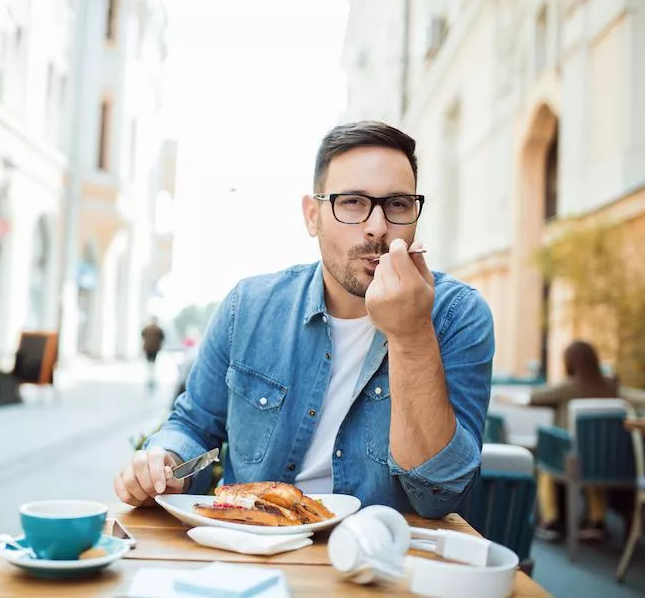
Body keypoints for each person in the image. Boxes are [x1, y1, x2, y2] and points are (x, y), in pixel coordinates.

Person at [114, 121, 494, 518]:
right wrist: (164, 461)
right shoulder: (248, 308)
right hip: (253, 546)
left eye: (397, 204)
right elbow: (193, 425)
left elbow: (439, 496)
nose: (377, 227)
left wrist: (411, 335)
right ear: (312, 216)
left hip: (386, 563)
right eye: (352, 202)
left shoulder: (457, 315)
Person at [530, 340, 617, 542]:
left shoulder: (569, 387)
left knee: (546, 468)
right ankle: (598, 520)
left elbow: (536, 396)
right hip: (605, 461)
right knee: (594, 469)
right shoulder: (609, 387)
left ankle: (551, 520)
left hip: (572, 459)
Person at [141, 319, 165, 390]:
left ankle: (150, 373)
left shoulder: (147, 328)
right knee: (153, 362)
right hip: (155, 348)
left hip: (147, 347)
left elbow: (142, 335)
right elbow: (162, 337)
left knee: (149, 363)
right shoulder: (158, 329)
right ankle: (152, 373)